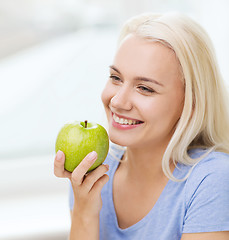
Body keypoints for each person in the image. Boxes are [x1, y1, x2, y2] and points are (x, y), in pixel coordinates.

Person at [54, 12, 229, 240]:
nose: (117, 101)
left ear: (191, 103)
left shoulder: (211, 179)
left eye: (145, 88)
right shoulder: (95, 166)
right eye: (115, 78)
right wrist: (84, 211)